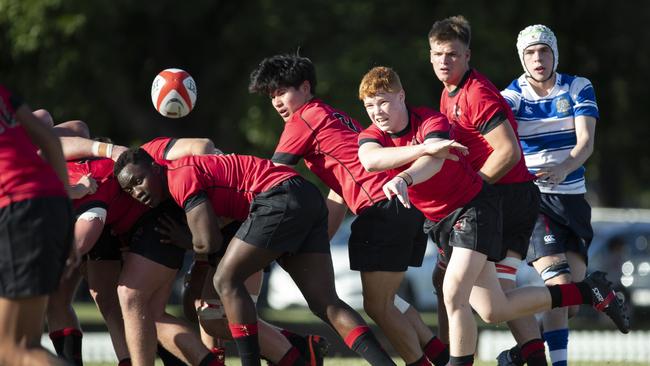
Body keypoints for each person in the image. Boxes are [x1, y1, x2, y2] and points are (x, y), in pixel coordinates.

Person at [356, 66, 629, 366]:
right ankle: (587, 291)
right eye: (369, 105)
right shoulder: (373, 135)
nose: (376, 112)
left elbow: (431, 165)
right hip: (441, 220)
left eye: (382, 102)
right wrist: (424, 149)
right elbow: (371, 160)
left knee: (453, 291)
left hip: (474, 207)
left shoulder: (431, 120)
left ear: (401, 97)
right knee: (492, 308)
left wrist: (407, 176)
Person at [248, 53, 451, 366]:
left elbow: (271, 178)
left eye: (281, 92)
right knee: (390, 300)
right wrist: (320, 239)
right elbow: (340, 190)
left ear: (304, 88)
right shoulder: (331, 115)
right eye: (271, 95)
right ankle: (441, 355)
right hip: (404, 206)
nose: (276, 101)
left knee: (378, 306)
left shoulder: (303, 119)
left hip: (382, 210)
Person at [113, 149, 395, 366]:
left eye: (139, 180)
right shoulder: (184, 174)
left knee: (226, 280)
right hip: (305, 195)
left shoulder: (179, 175)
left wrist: (186, 241)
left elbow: (209, 241)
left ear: (154, 165)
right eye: (129, 189)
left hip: (278, 198)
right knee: (326, 303)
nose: (137, 191)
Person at [426, 16, 548, 365]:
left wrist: (468, 191)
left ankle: (582, 292)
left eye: (452, 54)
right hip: (499, 198)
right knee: (496, 300)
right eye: (437, 54)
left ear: (467, 55)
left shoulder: (476, 93)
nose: (444, 61)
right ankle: (537, 353)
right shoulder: (449, 92)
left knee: (481, 300)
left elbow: (507, 152)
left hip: (507, 198)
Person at [500, 24, 608, 366]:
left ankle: (521, 351)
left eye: (543, 51)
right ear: (522, 59)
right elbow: (496, 139)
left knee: (570, 302)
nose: (537, 58)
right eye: (530, 53)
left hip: (573, 200)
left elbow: (586, 143)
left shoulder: (578, 87)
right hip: (534, 201)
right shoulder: (511, 97)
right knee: (560, 284)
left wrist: (565, 166)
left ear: (554, 54)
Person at [0, 84, 75, 366]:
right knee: (22, 346)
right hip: (49, 203)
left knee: (13, 351)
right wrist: (68, 214)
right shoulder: (4, 93)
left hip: (18, 208)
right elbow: (51, 141)